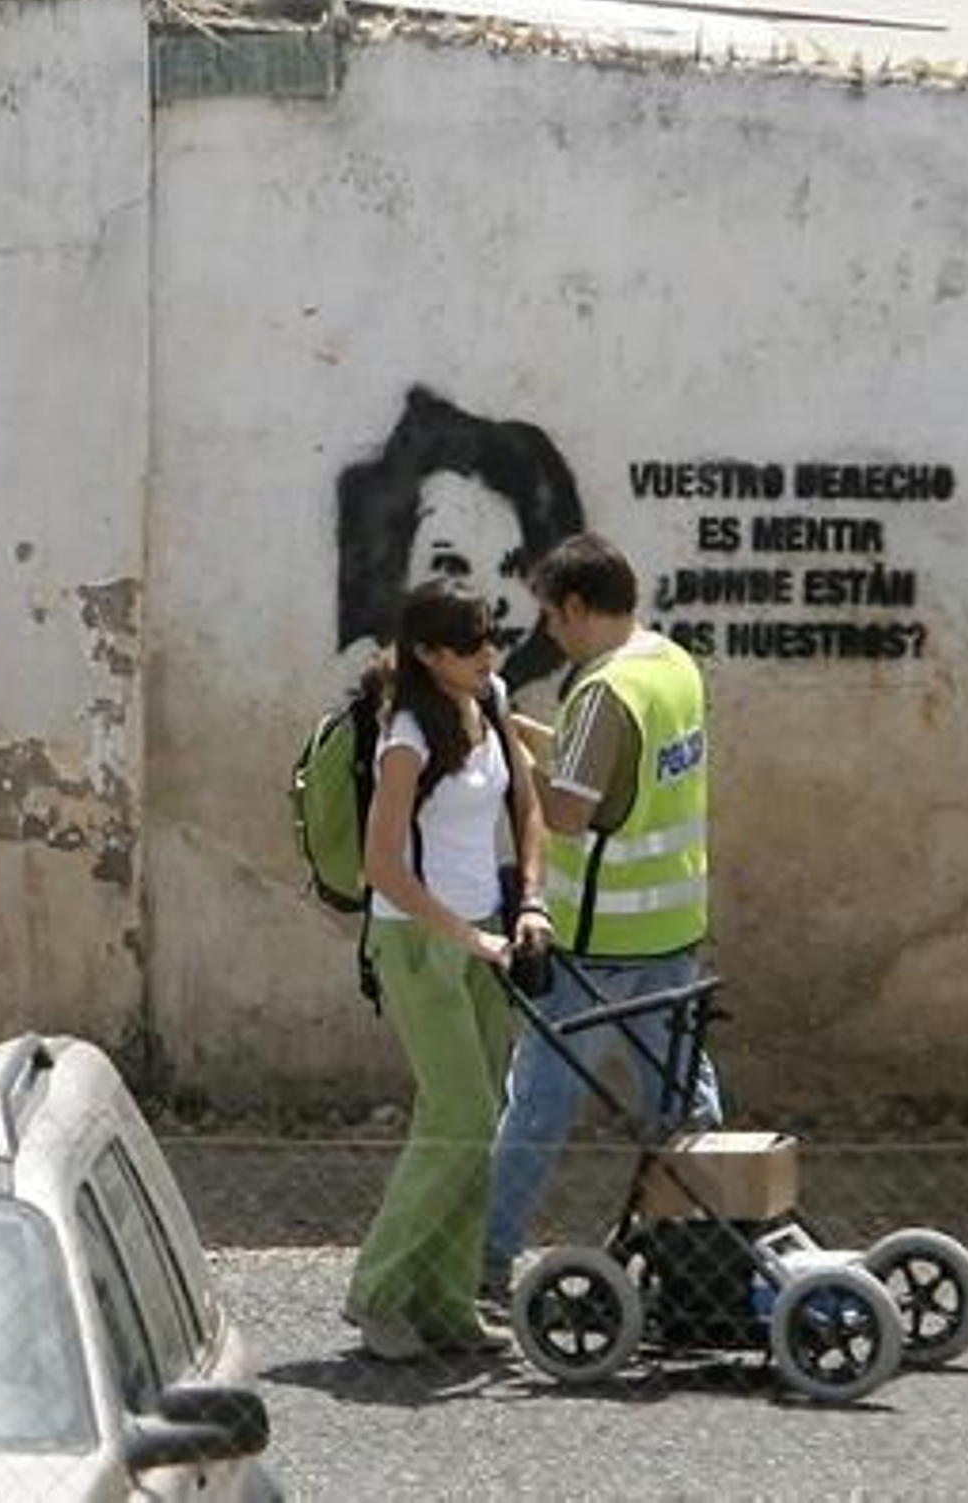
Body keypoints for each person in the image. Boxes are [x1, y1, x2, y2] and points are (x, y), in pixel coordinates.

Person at [482, 534, 722, 1303]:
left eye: (552, 615)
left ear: (577, 606)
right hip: (673, 926)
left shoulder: (600, 692)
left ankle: (485, 1260)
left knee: (541, 1104)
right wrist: (524, 730)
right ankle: (711, 1238)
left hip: (597, 939)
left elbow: (569, 811)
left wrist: (503, 755)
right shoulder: (670, 666)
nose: (549, 631)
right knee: (682, 1098)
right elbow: (620, 771)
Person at [343, 580, 551, 1361]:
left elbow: (526, 808)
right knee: (458, 1116)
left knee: (473, 1121)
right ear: (429, 654)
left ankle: (446, 1300)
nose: (486, 655)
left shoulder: (491, 698)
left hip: (489, 934)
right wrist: (469, 937)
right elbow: (381, 865)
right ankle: (379, 1293)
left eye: (490, 639)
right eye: (469, 645)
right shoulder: (405, 737)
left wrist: (529, 903)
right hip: (418, 940)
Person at [336, 385, 587, 692]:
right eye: (451, 568)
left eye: (515, 569)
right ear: (389, 571)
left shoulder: (497, 709)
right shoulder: (376, 721)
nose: (491, 600)